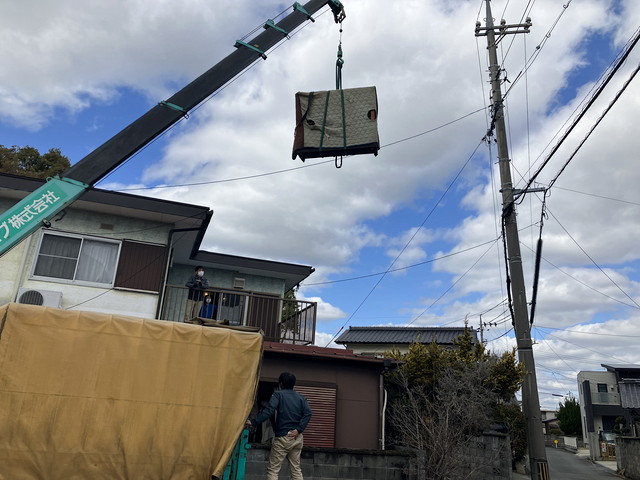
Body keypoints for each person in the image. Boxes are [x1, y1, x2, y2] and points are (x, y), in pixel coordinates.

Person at [246, 372, 312, 480]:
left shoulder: (278, 395)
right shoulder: (301, 398)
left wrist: (253, 422)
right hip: (297, 437)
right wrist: (298, 429)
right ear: (293, 384)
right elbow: (308, 413)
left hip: (282, 437)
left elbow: (268, 411)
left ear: (281, 384)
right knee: (296, 470)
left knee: (273, 470)